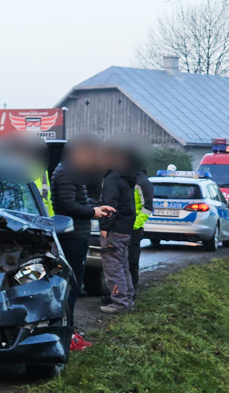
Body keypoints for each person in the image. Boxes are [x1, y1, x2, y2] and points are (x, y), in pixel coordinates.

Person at [51, 135, 114, 349]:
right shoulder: (67, 172)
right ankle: (66, 335)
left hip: (77, 234)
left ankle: (70, 331)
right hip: (72, 236)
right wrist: (93, 212)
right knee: (70, 287)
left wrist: (96, 206)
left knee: (74, 286)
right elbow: (68, 205)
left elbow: (78, 201)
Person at [98, 142, 137, 314]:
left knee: (113, 267)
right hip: (125, 228)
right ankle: (127, 301)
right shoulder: (126, 177)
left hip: (113, 229)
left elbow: (110, 205)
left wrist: (104, 227)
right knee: (122, 266)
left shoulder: (112, 178)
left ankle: (119, 304)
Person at [129, 169, 153, 300]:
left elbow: (147, 207)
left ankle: (131, 293)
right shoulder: (126, 178)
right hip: (123, 226)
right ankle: (118, 294)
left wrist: (134, 225)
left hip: (133, 229)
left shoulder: (142, 182)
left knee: (131, 262)